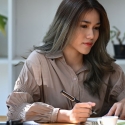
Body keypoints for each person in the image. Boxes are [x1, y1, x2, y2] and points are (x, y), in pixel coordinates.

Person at [6, 0, 125, 124]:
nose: (91, 35)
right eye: (84, 26)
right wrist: (62, 115)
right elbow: (15, 109)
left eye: (96, 28)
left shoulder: (108, 68)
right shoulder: (39, 61)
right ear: (65, 25)